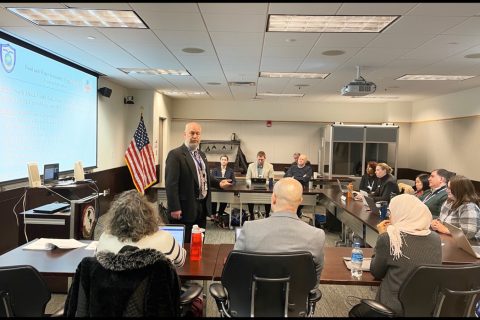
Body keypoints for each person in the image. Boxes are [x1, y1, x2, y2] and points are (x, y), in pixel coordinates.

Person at [234, 178, 325, 287]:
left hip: (251, 300)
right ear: (301, 201)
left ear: (273, 199)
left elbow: (236, 269)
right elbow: (313, 283)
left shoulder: (249, 228)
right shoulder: (316, 235)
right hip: (295, 302)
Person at [370, 194, 442, 315]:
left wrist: (382, 235)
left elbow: (376, 272)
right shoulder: (435, 238)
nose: (390, 216)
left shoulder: (389, 238)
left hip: (394, 307)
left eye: (391, 212)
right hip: (425, 306)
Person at [165, 122, 232, 242]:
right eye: (192, 133)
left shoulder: (201, 155)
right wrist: (174, 207)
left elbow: (204, 176)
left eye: (197, 133)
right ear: (185, 134)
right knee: (185, 244)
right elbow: (171, 184)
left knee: (199, 241)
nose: (195, 136)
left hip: (202, 207)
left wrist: (219, 183)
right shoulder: (175, 155)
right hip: (184, 209)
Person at [96, 189, 186, 267]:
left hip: (113, 286)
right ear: (149, 215)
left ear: (114, 218)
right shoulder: (166, 238)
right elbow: (181, 262)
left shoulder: (104, 238)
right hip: (155, 286)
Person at [431, 175, 480, 239]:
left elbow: (469, 233)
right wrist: (436, 223)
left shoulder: (469, 207)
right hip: (446, 238)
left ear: (460, 190)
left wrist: (446, 230)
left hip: (466, 245)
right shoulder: (448, 201)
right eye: (447, 187)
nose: (447, 191)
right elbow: (442, 220)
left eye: (450, 188)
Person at [246, 151, 275, 220]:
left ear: (265, 158)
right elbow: (247, 179)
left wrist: (264, 183)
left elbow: (271, 180)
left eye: (262, 159)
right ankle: (251, 213)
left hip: (265, 188)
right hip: (253, 187)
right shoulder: (251, 166)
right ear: (257, 158)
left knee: (268, 197)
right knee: (249, 196)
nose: (260, 161)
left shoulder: (270, 166)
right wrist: (253, 183)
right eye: (259, 159)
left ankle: (267, 214)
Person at [211, 154, 237, 221]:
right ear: (220, 161)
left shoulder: (230, 170)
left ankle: (220, 214)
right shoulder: (215, 170)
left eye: (225, 160)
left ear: (227, 161)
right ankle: (213, 215)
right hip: (216, 190)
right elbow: (211, 180)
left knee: (224, 201)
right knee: (213, 201)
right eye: (222, 160)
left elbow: (234, 181)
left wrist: (230, 184)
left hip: (225, 190)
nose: (223, 161)